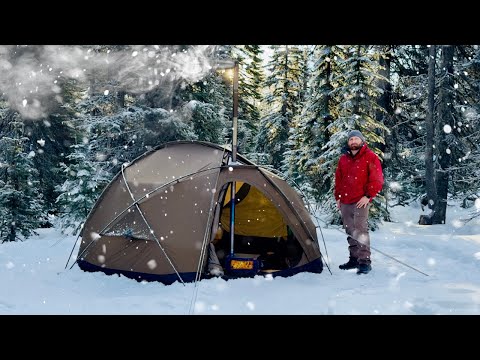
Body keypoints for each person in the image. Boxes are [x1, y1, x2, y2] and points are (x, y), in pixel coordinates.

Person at [334, 130, 384, 274]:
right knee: (350, 230)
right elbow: (339, 179)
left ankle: (364, 262)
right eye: (351, 140)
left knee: (360, 230)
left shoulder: (370, 157)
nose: (353, 142)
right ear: (348, 143)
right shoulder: (343, 159)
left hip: (361, 201)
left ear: (362, 141)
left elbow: (377, 179)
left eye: (356, 139)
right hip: (345, 200)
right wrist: (338, 197)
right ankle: (354, 259)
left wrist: (368, 196)